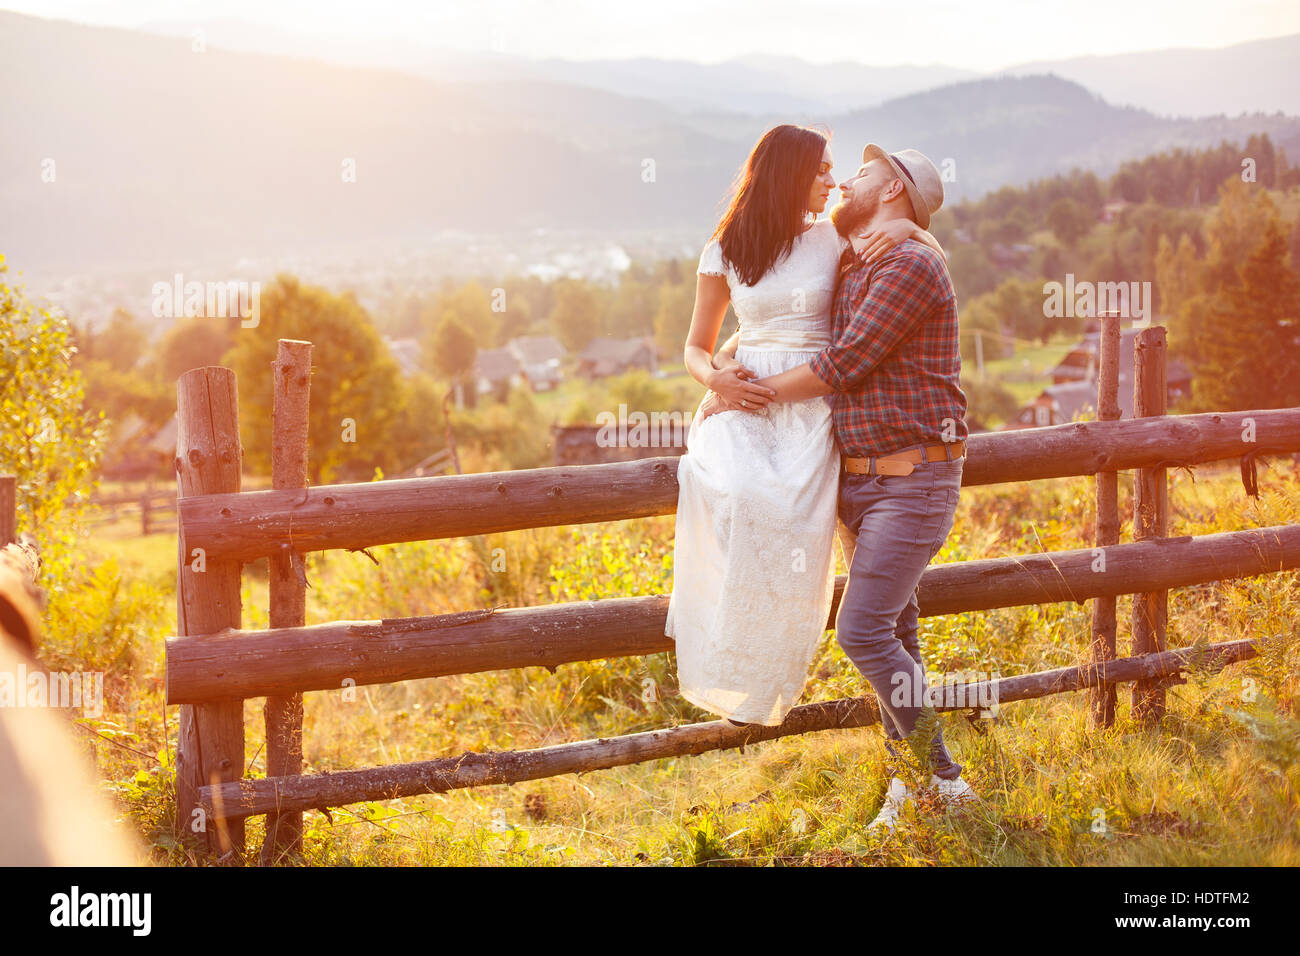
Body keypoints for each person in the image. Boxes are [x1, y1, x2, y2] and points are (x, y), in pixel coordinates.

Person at [705, 144, 976, 831]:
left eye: (862, 174)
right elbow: (780, 317)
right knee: (900, 634)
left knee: (862, 629)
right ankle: (910, 787)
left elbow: (842, 361)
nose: (846, 181)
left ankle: (944, 778)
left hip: (913, 478)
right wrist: (721, 368)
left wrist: (746, 395)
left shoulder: (909, 263)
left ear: (890, 192)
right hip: (858, 480)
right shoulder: (860, 253)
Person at [665, 125, 943, 729]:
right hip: (744, 397)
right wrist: (716, 382)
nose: (832, 180)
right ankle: (735, 659)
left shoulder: (833, 237)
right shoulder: (727, 246)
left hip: (815, 404)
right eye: (820, 170)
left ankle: (925, 768)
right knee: (736, 493)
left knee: (810, 540)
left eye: (836, 170)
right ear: (789, 173)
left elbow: (896, 232)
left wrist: (908, 226)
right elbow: (695, 347)